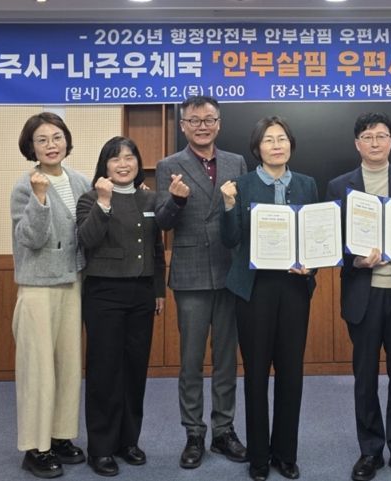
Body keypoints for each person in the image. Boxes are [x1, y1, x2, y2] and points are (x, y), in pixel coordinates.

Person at [325, 112, 391, 481]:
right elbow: (331, 241)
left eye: (381, 136)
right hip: (364, 295)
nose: (375, 142)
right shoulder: (340, 186)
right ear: (357, 144)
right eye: (368, 137)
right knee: (365, 376)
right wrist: (355, 259)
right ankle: (370, 450)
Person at [220, 116, 318, 481]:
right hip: (254, 289)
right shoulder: (242, 185)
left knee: (291, 373)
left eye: (282, 139)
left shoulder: (307, 184)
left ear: (291, 144)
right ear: (257, 148)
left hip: (294, 289)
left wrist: (312, 266)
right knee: (256, 373)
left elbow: (315, 236)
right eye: (269, 140)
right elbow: (230, 240)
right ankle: (259, 457)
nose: (277, 145)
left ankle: (286, 454)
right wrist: (228, 205)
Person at [155, 95, 248, 469]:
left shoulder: (236, 162)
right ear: (183, 126)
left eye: (209, 119)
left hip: (229, 272)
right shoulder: (169, 165)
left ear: (219, 123)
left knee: (226, 360)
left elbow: (242, 216)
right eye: (194, 120)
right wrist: (176, 201)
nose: (202, 126)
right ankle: (194, 434)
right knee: (191, 361)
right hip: (191, 274)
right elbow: (162, 222)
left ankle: (224, 431)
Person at [76, 137, 165, 476]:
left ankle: (128, 441)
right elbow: (86, 240)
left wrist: (158, 290)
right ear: (105, 165)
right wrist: (103, 202)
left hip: (141, 293)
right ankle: (100, 448)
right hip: (104, 293)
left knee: (134, 370)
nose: (123, 164)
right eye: (116, 159)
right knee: (104, 372)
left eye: (129, 157)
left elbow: (156, 248)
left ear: (138, 162)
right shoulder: (90, 198)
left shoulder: (149, 198)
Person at [10, 112, 89, 478]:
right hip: (38, 288)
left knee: (69, 367)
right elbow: (31, 238)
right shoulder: (25, 186)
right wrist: (40, 198)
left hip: (72, 283)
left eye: (57, 137)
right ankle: (34, 447)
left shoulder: (80, 181)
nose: (51, 145)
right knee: (38, 371)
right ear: (31, 147)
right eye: (41, 140)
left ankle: (59, 436)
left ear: (67, 140)